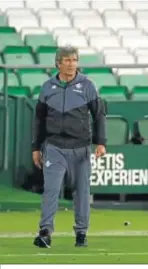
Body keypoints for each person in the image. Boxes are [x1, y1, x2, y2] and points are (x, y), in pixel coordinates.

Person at [32, 46, 107, 248]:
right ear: (58, 63)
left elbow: (99, 115)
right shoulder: (47, 87)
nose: (71, 64)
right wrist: (36, 148)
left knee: (82, 192)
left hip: (81, 148)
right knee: (51, 190)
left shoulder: (88, 86)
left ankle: (81, 233)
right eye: (67, 60)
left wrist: (101, 143)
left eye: (74, 60)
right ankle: (45, 232)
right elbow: (39, 119)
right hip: (54, 147)